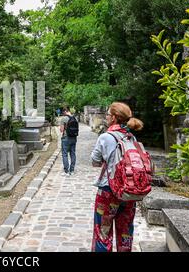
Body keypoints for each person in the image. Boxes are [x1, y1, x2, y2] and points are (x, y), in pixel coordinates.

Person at [90, 102, 144, 252]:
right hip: (129, 192)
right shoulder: (131, 136)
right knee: (126, 233)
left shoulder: (106, 137)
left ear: (113, 118)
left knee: (103, 232)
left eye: (107, 114)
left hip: (109, 191)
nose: (106, 117)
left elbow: (94, 161)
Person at [60, 106, 79, 175]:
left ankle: (66, 171)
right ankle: (72, 170)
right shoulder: (75, 118)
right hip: (74, 138)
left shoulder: (64, 119)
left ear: (65, 111)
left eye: (63, 112)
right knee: (73, 153)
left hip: (66, 138)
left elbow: (61, 130)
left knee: (65, 154)